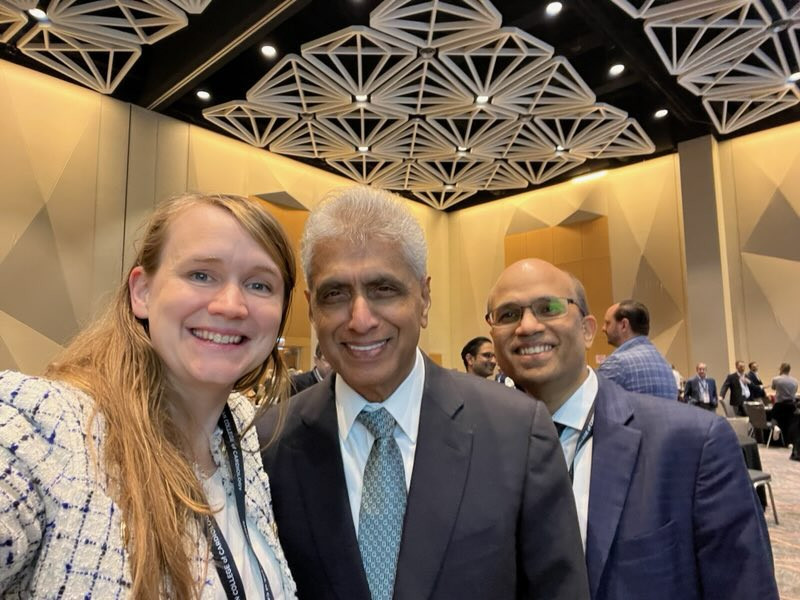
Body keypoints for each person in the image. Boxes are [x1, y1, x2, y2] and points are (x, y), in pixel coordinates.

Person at [259, 187, 589, 600]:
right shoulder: (269, 443)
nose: (360, 319)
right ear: (311, 308)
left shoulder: (518, 432)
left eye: (383, 289)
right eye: (335, 294)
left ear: (424, 298)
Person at [0, 193, 297, 598]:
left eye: (259, 284)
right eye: (201, 275)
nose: (231, 305)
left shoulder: (240, 434)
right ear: (142, 291)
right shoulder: (48, 426)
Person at [487, 258, 778, 600]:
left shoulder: (694, 444)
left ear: (587, 330)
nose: (527, 326)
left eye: (548, 308)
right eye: (508, 315)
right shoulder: (479, 447)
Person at [597, 300, 677, 400]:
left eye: (608, 323)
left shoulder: (616, 364)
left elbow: (592, 406)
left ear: (624, 325)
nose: (603, 328)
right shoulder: (665, 366)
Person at [771, 363, 799, 460]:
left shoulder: (776, 379)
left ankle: (775, 427)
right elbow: (795, 391)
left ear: (781, 368)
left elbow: (773, 388)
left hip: (779, 404)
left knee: (774, 417)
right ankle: (789, 442)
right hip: (791, 405)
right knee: (791, 423)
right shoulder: (795, 381)